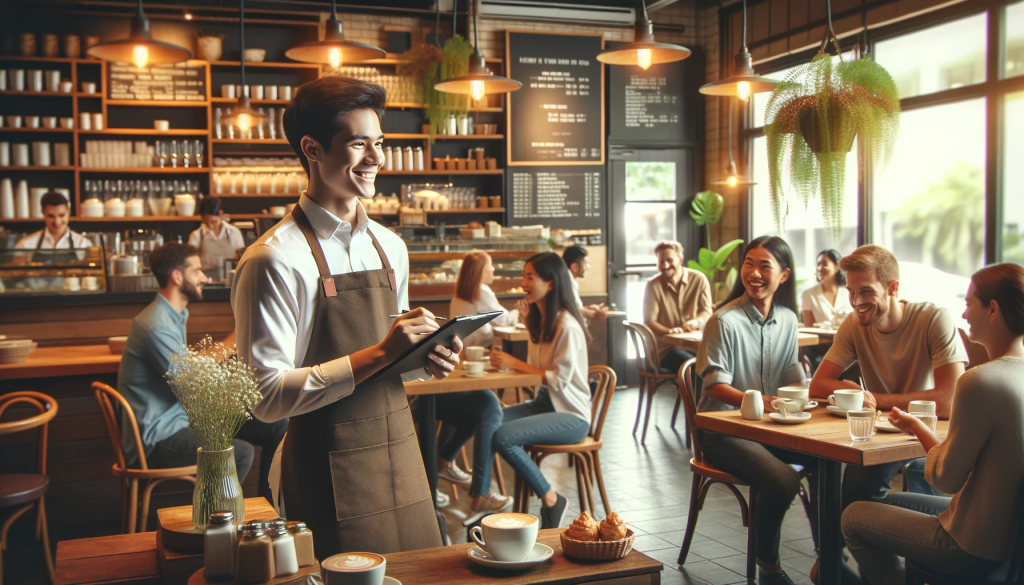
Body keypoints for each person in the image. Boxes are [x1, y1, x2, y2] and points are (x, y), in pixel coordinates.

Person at [231, 76, 461, 557]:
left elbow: (391, 364)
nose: (377, 158)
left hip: (402, 450)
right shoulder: (273, 259)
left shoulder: (391, 246)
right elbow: (266, 398)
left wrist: (424, 358)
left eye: (379, 143)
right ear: (312, 149)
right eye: (359, 144)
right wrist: (381, 351)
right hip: (325, 469)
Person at [841, 263, 1024, 584]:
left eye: (969, 304)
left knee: (853, 516)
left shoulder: (980, 381)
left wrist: (920, 431)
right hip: (1010, 542)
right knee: (895, 501)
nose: (964, 315)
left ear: (992, 310)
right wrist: (917, 426)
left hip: (970, 545)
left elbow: (946, 478)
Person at [118, 243, 286, 506]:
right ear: (177, 276)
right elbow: (192, 382)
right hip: (159, 438)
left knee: (276, 425)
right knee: (238, 454)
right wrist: (242, 333)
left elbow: (189, 371)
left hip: (182, 419)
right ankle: (215, 525)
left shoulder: (173, 315)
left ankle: (271, 514)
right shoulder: (155, 325)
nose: (205, 278)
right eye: (197, 270)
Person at [695, 236, 816, 585]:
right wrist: (767, 402)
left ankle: (828, 558)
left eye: (765, 266)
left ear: (784, 276)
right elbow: (715, 387)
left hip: (771, 428)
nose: (755, 273)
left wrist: (811, 393)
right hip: (721, 431)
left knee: (831, 464)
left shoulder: (788, 319)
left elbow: (793, 374)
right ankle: (770, 568)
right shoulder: (724, 321)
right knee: (781, 481)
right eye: (749, 263)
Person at [809, 245, 967, 505]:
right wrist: (860, 396)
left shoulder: (933, 319)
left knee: (909, 488)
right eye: (851, 292)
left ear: (893, 288)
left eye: (867, 291)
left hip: (927, 432)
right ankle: (844, 544)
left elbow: (949, 401)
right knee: (852, 493)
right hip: (882, 431)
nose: (856, 301)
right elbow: (817, 386)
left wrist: (872, 399)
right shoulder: (853, 324)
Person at [489, 252, 592, 530]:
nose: (523, 283)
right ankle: (483, 498)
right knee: (487, 422)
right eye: (523, 276)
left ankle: (551, 498)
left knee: (502, 435)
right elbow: (538, 370)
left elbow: (558, 380)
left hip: (572, 416)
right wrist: (528, 325)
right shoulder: (542, 320)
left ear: (551, 283)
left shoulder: (567, 325)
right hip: (545, 405)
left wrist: (515, 364)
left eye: (529, 277)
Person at [436, 250, 516, 522]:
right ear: (480, 273)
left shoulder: (460, 295)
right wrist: (520, 311)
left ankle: (443, 461)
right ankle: (477, 492)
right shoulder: (482, 291)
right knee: (488, 407)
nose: (493, 272)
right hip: (465, 370)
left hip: (452, 370)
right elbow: (504, 321)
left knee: (478, 410)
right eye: (490, 267)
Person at [643, 240, 713, 373]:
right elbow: (649, 321)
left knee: (714, 365)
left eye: (669, 260)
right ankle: (692, 394)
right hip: (665, 349)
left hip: (696, 346)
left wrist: (694, 321)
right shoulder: (653, 285)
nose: (664, 265)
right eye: (661, 261)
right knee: (694, 368)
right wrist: (669, 332)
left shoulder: (698, 279)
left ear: (680, 260)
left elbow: (706, 311)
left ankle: (700, 394)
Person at [450, 251, 519, 348]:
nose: (493, 268)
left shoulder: (460, 293)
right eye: (490, 265)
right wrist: (517, 315)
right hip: (478, 349)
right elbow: (502, 320)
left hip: (461, 348)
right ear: (481, 270)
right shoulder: (480, 290)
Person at [15, 191, 94, 263]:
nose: (57, 222)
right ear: (43, 213)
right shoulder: (25, 244)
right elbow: (16, 276)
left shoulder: (84, 244)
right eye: (51, 216)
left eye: (61, 215)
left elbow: (91, 275)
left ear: (69, 212)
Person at [187, 196, 246, 275]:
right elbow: (190, 263)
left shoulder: (234, 232)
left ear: (220, 214)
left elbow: (242, 259)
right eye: (206, 223)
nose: (211, 226)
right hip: (206, 282)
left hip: (230, 281)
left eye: (213, 222)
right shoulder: (196, 235)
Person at [801, 249, 853, 327]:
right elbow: (809, 326)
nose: (820, 268)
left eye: (825, 264)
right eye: (818, 264)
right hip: (822, 338)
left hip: (850, 337)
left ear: (837, 267)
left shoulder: (849, 291)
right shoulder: (808, 294)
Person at [562, 245, 609, 320]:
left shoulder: (567, 278)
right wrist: (595, 314)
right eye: (585, 263)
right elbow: (572, 311)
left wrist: (588, 308)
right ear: (575, 267)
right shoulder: (567, 281)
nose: (588, 266)